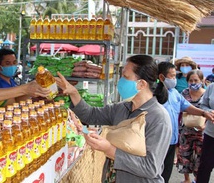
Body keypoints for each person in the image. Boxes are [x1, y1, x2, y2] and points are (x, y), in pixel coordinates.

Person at [56, 54, 172, 182]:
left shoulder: (159, 118)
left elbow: (150, 168)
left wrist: (110, 150)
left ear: (141, 84)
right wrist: (74, 92)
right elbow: (90, 115)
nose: (120, 81)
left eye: (125, 77)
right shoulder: (122, 108)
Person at [157, 62, 214, 183]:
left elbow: (186, 106)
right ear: (161, 77)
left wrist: (204, 114)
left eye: (174, 76)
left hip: (171, 140)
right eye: (172, 76)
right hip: (158, 140)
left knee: (166, 173)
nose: (174, 79)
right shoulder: (154, 94)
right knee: (156, 172)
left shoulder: (174, 93)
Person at [177, 70, 206, 183]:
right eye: (191, 80)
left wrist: (205, 125)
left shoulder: (206, 94)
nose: (193, 83)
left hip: (202, 132)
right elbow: (179, 109)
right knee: (184, 155)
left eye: (196, 80)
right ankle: (186, 179)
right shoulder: (184, 93)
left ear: (202, 80)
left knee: (201, 157)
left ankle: (197, 179)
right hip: (186, 130)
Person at [198, 82, 214, 182]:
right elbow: (203, 105)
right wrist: (209, 112)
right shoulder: (211, 87)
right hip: (211, 134)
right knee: (205, 166)